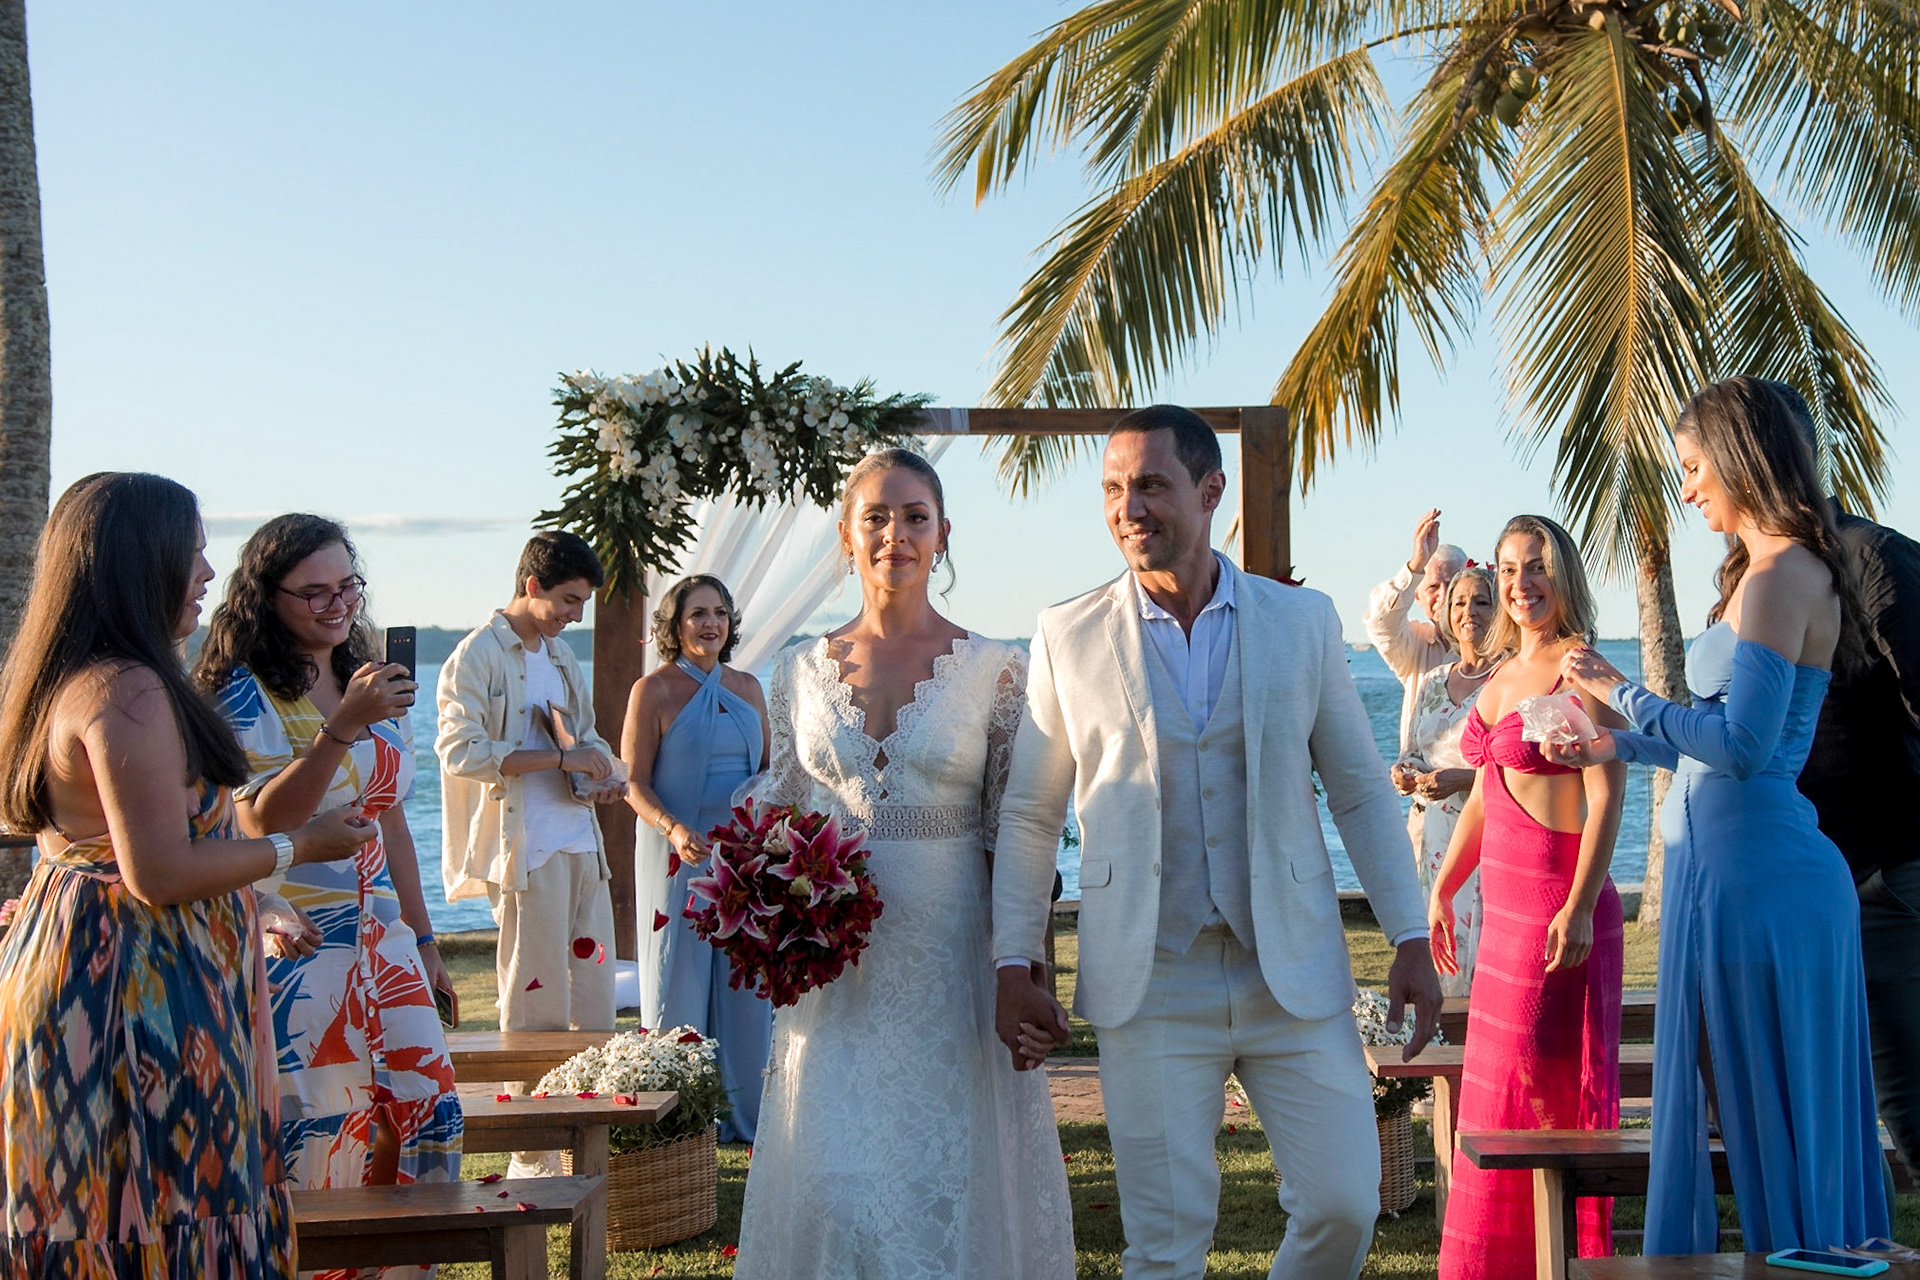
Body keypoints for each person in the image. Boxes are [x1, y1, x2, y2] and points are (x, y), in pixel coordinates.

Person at [993, 406, 1442, 1280]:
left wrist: (1411, 934)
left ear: (1209, 492)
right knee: (1166, 1242)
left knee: (1347, 1204)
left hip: (1293, 971)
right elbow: (1030, 815)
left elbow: (1356, 790)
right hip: (1151, 976)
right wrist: (1015, 957)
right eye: (1114, 490)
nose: (1129, 508)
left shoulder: (1300, 622)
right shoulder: (1067, 633)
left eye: (1151, 486)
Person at [0, 473, 376, 1274]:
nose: (207, 573)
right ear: (142, 563)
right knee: (163, 1202)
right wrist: (298, 848)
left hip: (105, 962)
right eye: (194, 553)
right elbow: (161, 871)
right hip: (135, 992)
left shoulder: (80, 676)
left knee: (118, 1210)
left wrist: (259, 896)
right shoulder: (126, 687)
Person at [1552, 376, 1891, 1254]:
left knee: (1771, 1114)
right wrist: (1616, 746)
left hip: (1762, 882)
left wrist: (1617, 689)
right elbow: (1720, 745)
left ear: (1743, 458)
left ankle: (1812, 1261)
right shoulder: (1767, 573)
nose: (1689, 485)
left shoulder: (1783, 574)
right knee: (1746, 1115)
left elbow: (1742, 750)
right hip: (1728, 877)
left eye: (1697, 466)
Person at [733, 448, 1073, 1279]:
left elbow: (1020, 835)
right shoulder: (798, 671)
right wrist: (769, 910)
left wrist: (1031, 970)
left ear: (943, 535)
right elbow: (775, 814)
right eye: (876, 518)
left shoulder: (998, 669)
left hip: (954, 961)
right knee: (834, 1174)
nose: (896, 535)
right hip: (835, 975)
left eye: (915, 517)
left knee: (950, 1165)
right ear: (848, 536)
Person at [194, 514, 464, 1218]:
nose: (339, 604)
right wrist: (343, 725)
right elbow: (259, 821)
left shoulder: (367, 678)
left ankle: (408, 1269)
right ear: (264, 597)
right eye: (315, 592)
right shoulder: (240, 694)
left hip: (386, 940)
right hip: (295, 943)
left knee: (427, 1111)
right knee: (321, 1137)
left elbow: (392, 816)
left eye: (348, 585)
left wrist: (426, 939)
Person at [1428, 515, 1627, 1277]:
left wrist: (1578, 906)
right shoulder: (1503, 672)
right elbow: (1485, 793)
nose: (1519, 583)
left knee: (1545, 1105)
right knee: (1495, 1102)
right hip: (1504, 919)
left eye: (1534, 566)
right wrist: (1446, 886)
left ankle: (1555, 1263)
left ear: (1563, 573)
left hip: (1559, 910)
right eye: (1508, 569)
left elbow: (1608, 798)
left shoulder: (1580, 670)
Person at [436, 530, 625, 1173]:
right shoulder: (476, 656)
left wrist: (601, 774)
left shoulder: (562, 656)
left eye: (583, 602)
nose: (577, 614)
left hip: (578, 840)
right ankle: (533, 1146)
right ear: (531, 586)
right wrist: (562, 757)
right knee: (535, 994)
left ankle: (591, 1125)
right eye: (569, 600)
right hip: (524, 848)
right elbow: (459, 751)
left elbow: (588, 735)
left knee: (594, 986)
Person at [1786, 400, 1920, 1183]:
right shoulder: (1760, 576)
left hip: (1881, 876)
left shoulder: (1873, 557)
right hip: (1809, 886)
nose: (1694, 489)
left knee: (1910, 1107)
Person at [622, 573, 773, 1144]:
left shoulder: (750, 687)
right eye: (697, 614)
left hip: (743, 858)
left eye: (719, 613)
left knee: (746, 987)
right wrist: (673, 828)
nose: (711, 623)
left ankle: (745, 1112)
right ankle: (678, 1116)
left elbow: (769, 773)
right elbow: (633, 783)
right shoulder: (652, 691)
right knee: (675, 979)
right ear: (674, 624)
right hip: (676, 852)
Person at [1394, 565, 1500, 997]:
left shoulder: (1508, 679)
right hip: (1434, 838)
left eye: (1481, 602)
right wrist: (1405, 770)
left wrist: (1463, 780)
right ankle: (1441, 1056)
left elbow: (1523, 770)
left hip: (1487, 836)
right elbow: (1414, 750)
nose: (1468, 612)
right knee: (1439, 948)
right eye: (1459, 602)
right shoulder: (1436, 679)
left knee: (1481, 954)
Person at [1367, 509, 1468, 753]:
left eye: (1453, 583)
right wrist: (1416, 564)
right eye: (1433, 586)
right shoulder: (1412, 646)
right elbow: (1380, 621)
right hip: (1421, 785)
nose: (1444, 596)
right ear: (1418, 597)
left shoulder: (1496, 647)